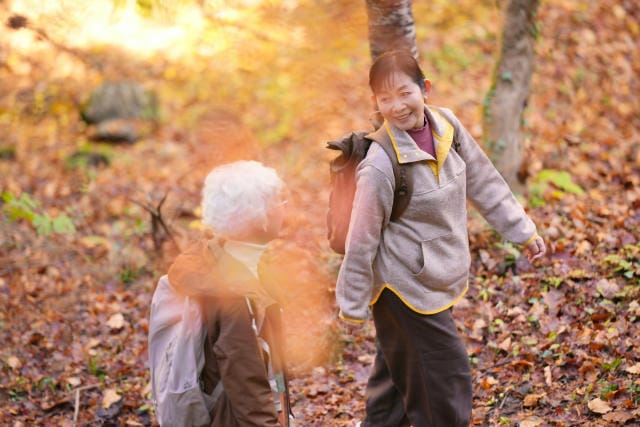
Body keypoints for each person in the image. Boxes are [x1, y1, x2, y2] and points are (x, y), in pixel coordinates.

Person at [335, 50, 546, 427]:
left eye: (404, 93)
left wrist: (523, 231)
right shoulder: (380, 165)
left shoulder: (446, 126)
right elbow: (361, 238)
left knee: (394, 388)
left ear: (425, 88)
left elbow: (483, 180)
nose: (397, 106)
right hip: (405, 289)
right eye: (385, 99)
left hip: (436, 274)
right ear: (376, 103)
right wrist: (351, 302)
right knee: (445, 384)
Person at [161, 160, 291, 426]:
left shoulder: (222, 257)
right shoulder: (234, 294)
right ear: (259, 218)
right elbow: (247, 387)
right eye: (278, 201)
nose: (284, 208)